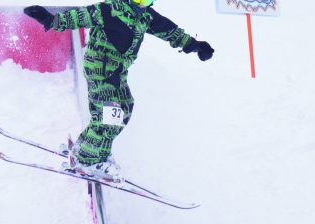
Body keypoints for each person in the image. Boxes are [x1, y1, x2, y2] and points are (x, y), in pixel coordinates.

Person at [24, 0, 214, 181]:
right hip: (101, 70)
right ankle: (88, 161)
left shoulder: (145, 16)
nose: (143, 4)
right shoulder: (111, 9)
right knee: (110, 117)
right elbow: (80, 16)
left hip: (116, 73)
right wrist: (50, 19)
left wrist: (195, 46)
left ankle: (88, 149)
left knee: (124, 108)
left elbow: (168, 30)